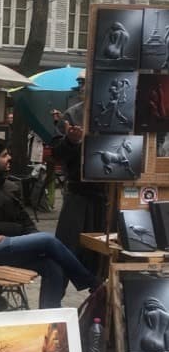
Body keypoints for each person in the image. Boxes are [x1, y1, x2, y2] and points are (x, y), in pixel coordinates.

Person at [0, 137, 96, 308]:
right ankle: (92, 283)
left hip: (14, 247)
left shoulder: (10, 186)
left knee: (52, 265)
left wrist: (32, 239)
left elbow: (25, 221)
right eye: (5, 155)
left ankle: (48, 317)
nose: (9, 159)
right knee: (47, 239)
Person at [52, 71, 108, 274]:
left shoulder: (118, 113)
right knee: (62, 256)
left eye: (86, 83)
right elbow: (57, 153)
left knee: (105, 260)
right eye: (81, 84)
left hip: (110, 197)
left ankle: (99, 300)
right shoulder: (72, 114)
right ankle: (52, 303)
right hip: (78, 194)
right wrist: (71, 141)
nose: (83, 88)